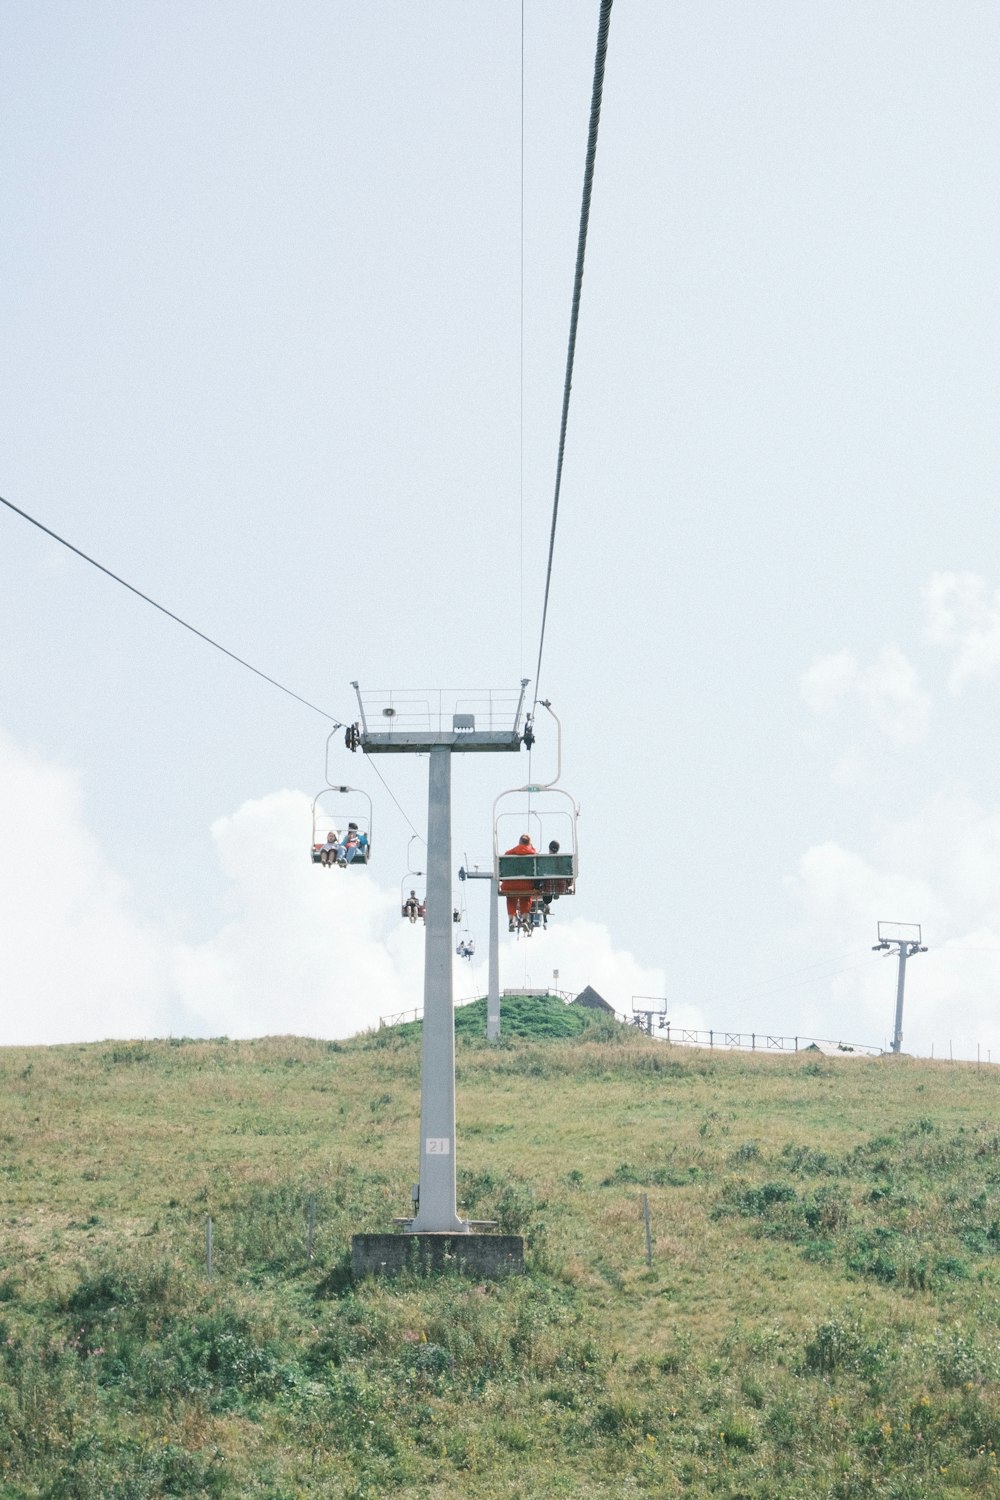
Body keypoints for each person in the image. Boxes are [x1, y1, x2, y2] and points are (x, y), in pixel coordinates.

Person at [501, 832, 537, 931]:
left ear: (519, 842)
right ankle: (525, 920)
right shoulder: (532, 853)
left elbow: (502, 867)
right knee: (526, 898)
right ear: (529, 843)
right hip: (526, 885)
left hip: (509, 884)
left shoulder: (509, 853)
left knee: (511, 899)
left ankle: (511, 920)